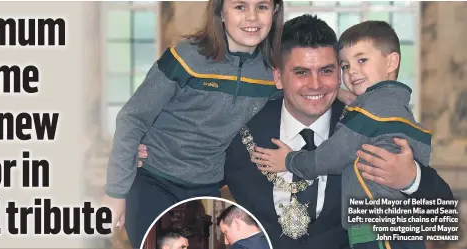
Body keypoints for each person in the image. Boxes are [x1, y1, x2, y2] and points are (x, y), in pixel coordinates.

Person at [222, 14, 453, 249]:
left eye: (327, 71)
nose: (316, 84)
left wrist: (411, 179)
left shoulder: (369, 123)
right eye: (301, 72)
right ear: (278, 77)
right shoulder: (241, 134)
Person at [101, 0, 285, 247]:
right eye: (240, 7)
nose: (251, 17)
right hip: (152, 177)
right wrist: (115, 193)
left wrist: (342, 94)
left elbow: (306, 93)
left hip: (206, 186)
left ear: (274, 11)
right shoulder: (185, 57)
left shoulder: (274, 72)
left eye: (261, 7)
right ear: (220, 12)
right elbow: (132, 117)